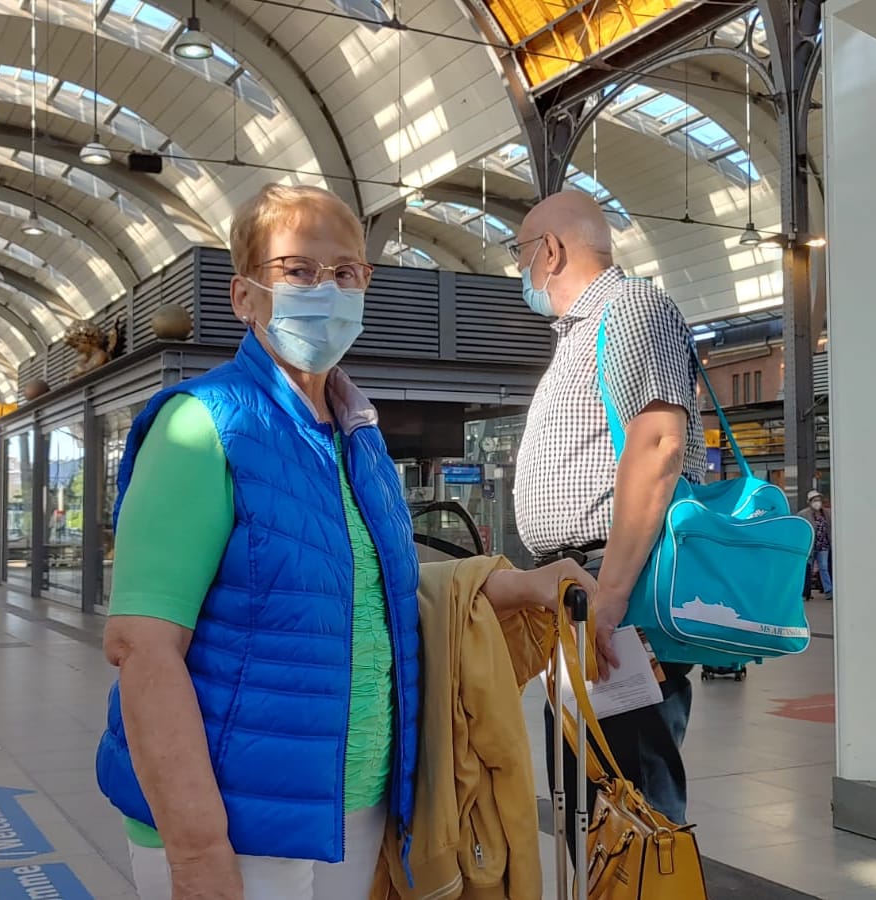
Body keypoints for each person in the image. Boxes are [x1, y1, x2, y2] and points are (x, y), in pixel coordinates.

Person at [95, 182, 594, 900]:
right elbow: (142, 648)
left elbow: (365, 588)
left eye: (345, 273)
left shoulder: (356, 436)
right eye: (297, 270)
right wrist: (199, 851)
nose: (324, 289)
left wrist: (507, 583)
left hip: (355, 806)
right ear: (245, 296)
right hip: (238, 821)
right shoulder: (199, 427)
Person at [510, 190, 707, 839]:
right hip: (581, 596)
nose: (520, 271)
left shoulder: (630, 309)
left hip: (613, 592)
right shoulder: (579, 335)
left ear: (551, 250)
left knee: (633, 805)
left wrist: (612, 595)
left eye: (520, 254)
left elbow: (657, 444)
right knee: (587, 801)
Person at [799, 489, 833, 598]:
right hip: (810, 546)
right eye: (814, 500)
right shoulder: (803, 514)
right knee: (808, 568)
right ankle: (806, 592)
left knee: (824, 567)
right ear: (809, 502)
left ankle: (828, 590)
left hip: (823, 545)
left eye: (819, 500)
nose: (817, 502)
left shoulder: (827, 513)